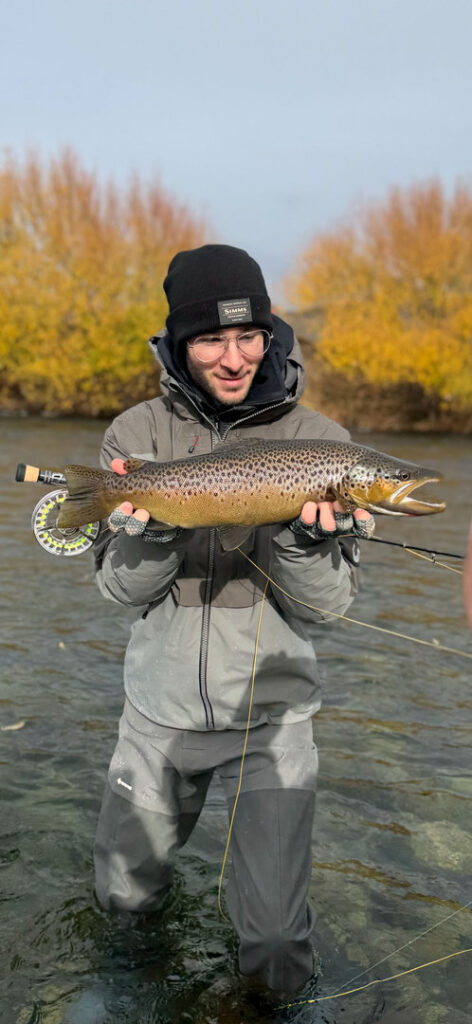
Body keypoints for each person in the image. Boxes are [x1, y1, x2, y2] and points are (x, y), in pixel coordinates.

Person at [92, 244, 374, 998]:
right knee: (122, 905)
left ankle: (271, 1010)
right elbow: (120, 593)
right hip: (160, 714)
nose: (233, 356)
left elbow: (330, 608)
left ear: (270, 335)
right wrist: (151, 527)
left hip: (275, 720)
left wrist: (306, 538)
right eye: (211, 338)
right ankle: (129, 996)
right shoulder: (135, 437)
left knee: (279, 943)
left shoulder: (325, 447)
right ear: (179, 344)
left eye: (249, 335)